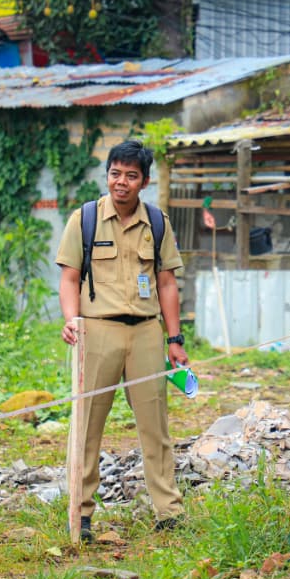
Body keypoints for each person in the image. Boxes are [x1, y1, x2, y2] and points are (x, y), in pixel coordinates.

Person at [56, 140, 187, 541]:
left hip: (147, 332)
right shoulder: (86, 219)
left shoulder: (158, 222)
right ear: (108, 175)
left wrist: (175, 338)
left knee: (155, 425)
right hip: (98, 331)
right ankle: (81, 514)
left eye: (131, 175)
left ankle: (168, 511)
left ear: (144, 181)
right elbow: (68, 278)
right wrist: (70, 320)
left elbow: (166, 282)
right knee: (87, 425)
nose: (122, 182)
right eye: (116, 173)